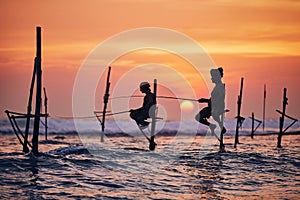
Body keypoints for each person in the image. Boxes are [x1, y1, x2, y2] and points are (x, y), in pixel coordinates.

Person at [195, 67, 227, 135]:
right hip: (211, 107)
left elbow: (219, 99)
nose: (212, 78)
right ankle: (212, 126)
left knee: (213, 114)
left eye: (213, 77)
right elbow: (213, 98)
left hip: (216, 108)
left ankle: (221, 127)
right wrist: (204, 100)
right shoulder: (217, 86)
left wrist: (206, 101)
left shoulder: (220, 87)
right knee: (198, 117)